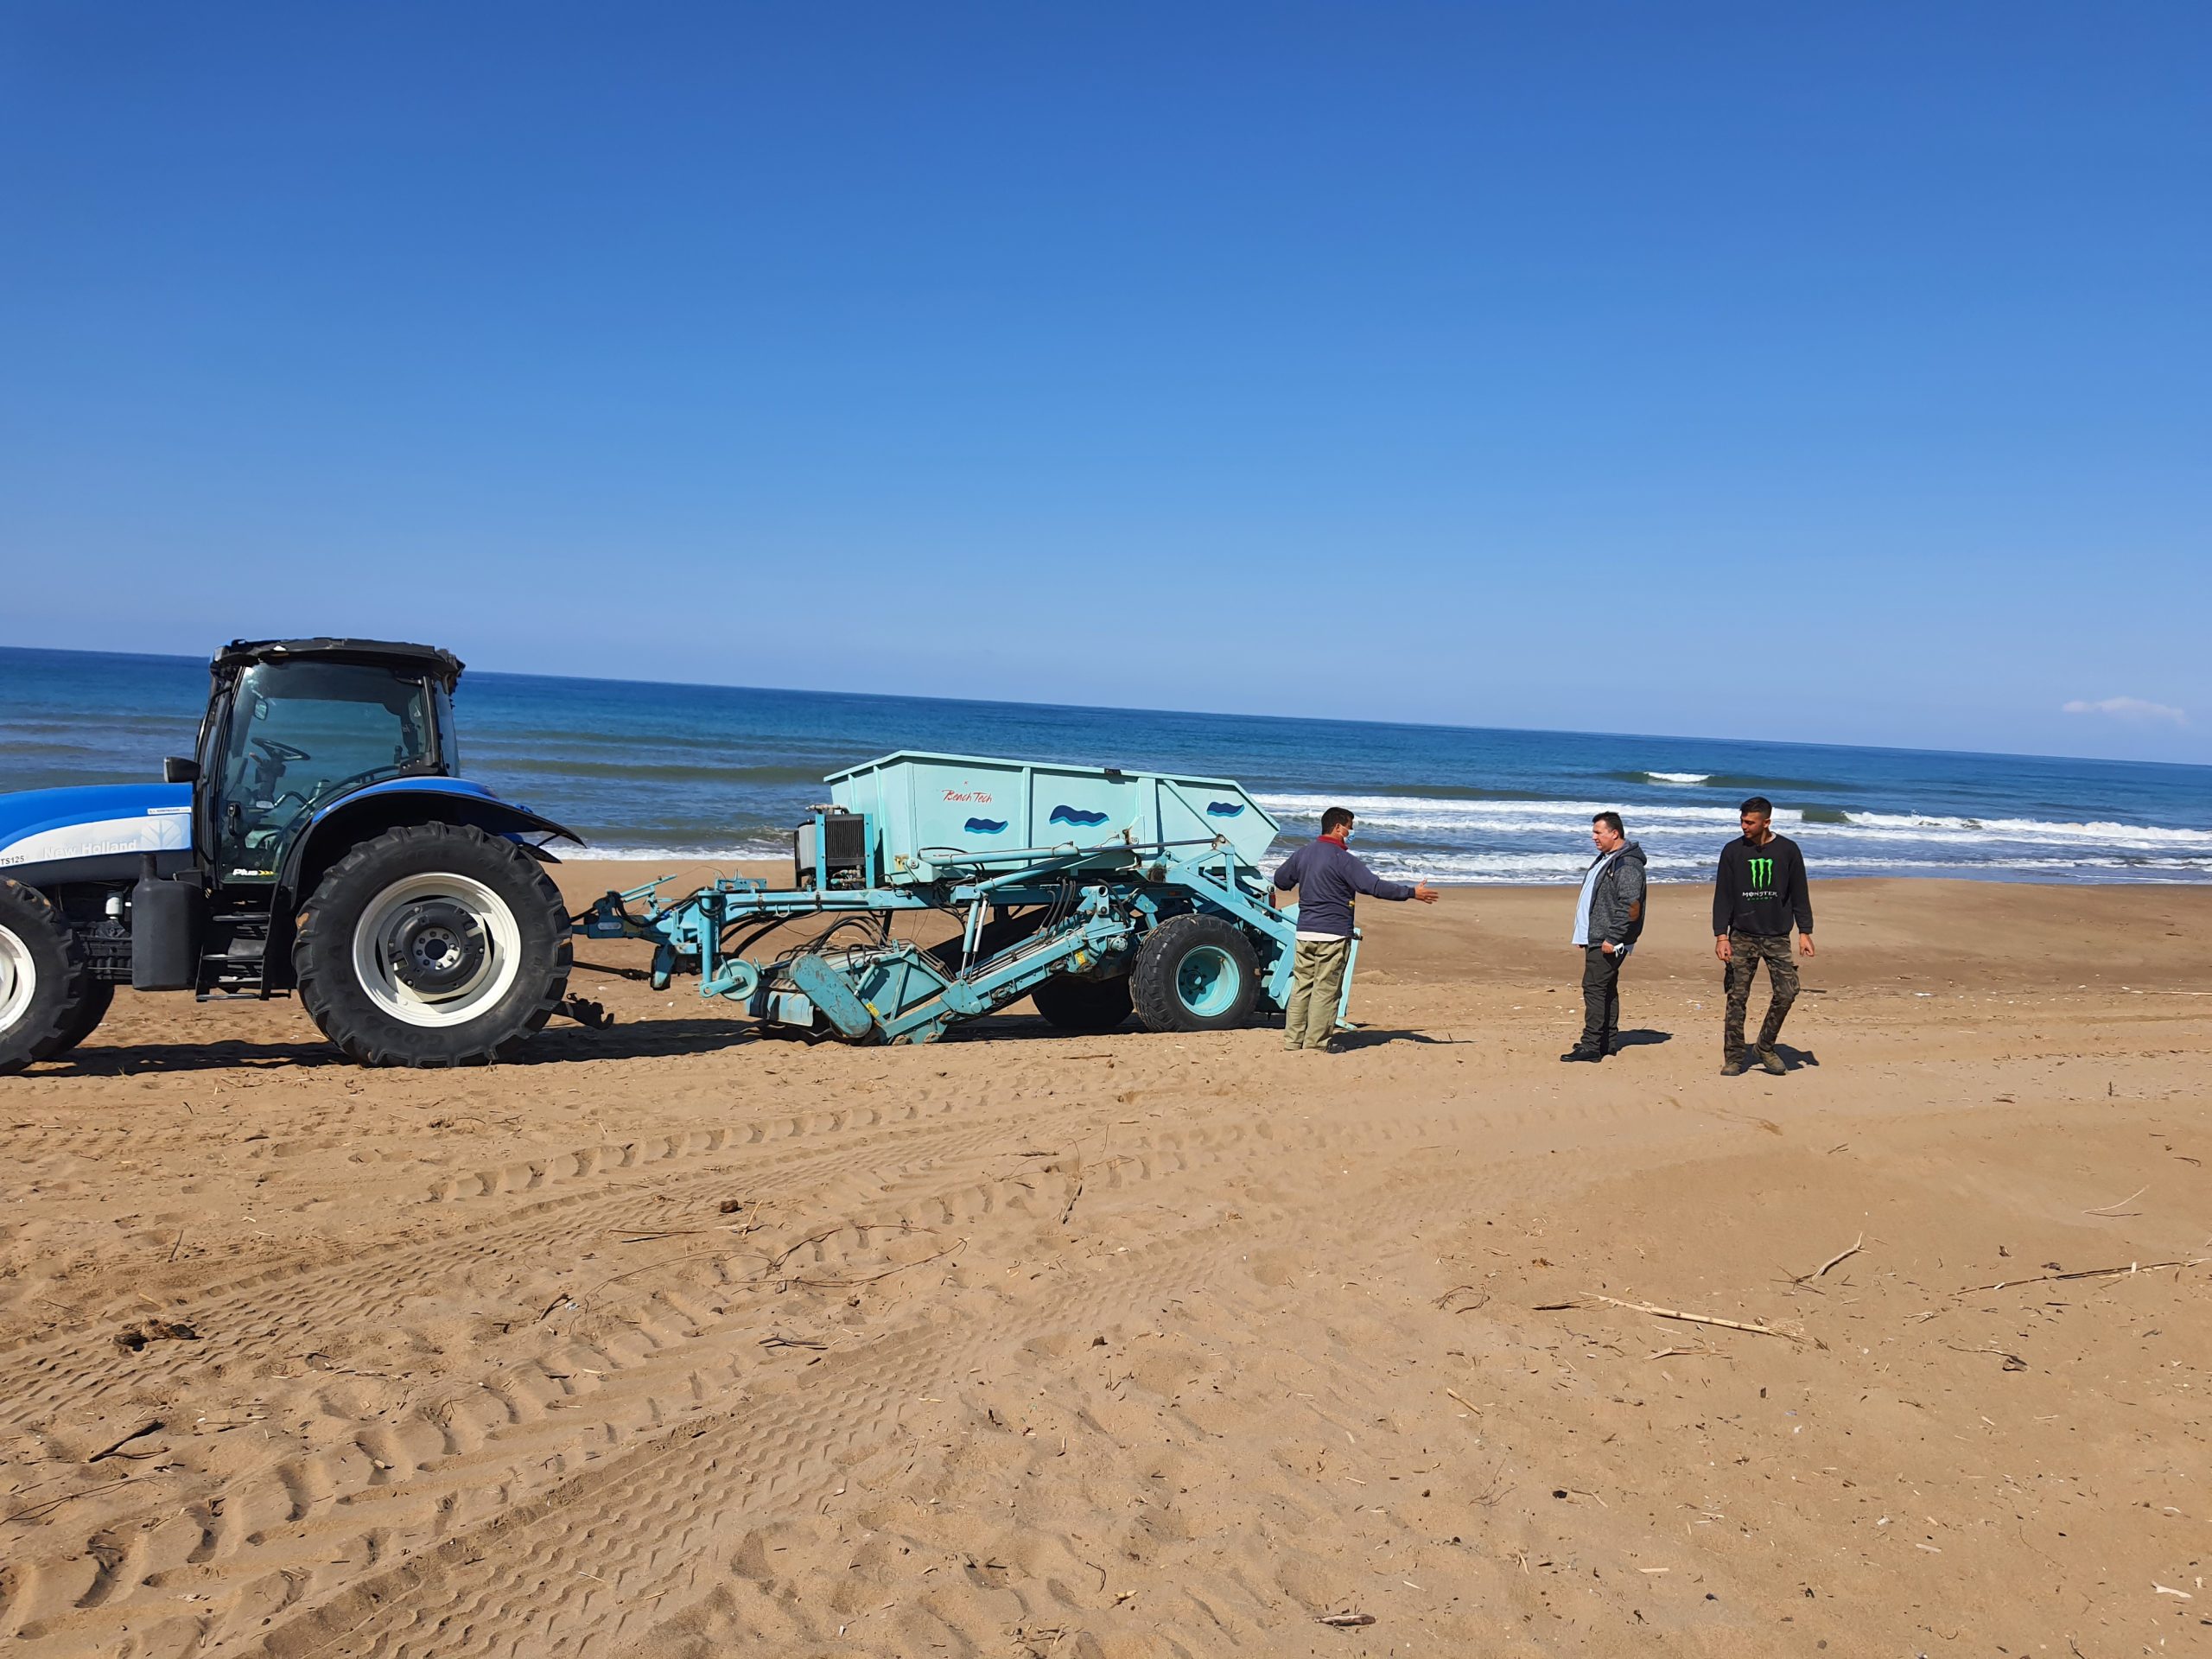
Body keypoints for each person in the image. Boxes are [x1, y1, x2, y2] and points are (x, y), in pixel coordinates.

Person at [1270, 806, 1438, 1052]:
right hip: (1333, 934)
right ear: (1338, 827)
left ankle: (1293, 1041)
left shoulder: (1303, 854)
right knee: (1326, 990)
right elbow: (1374, 886)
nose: (1351, 832)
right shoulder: (1343, 860)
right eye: (1350, 827)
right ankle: (1316, 1043)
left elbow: (1281, 880)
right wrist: (1411, 892)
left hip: (1305, 932)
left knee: (1301, 987)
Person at [1713, 795, 1815, 1076]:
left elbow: (1800, 893)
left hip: (1777, 936)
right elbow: (1723, 896)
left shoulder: (1788, 850)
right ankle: (1734, 1057)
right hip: (1741, 936)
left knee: (1787, 992)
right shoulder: (1732, 851)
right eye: (1742, 821)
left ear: (1766, 822)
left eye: (1750, 822)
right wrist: (1721, 936)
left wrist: (1805, 931)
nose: (1744, 826)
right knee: (1737, 998)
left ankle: (1765, 1047)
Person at [1561, 810, 1646, 1062]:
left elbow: (1630, 904)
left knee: (1594, 988)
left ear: (1614, 833)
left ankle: (1591, 1045)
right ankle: (1606, 1041)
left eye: (1598, 832)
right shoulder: (1608, 858)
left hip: (1608, 938)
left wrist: (1613, 937)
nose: (1594, 837)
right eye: (1594, 832)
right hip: (1597, 935)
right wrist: (1583, 933)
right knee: (1605, 987)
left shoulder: (1627, 864)